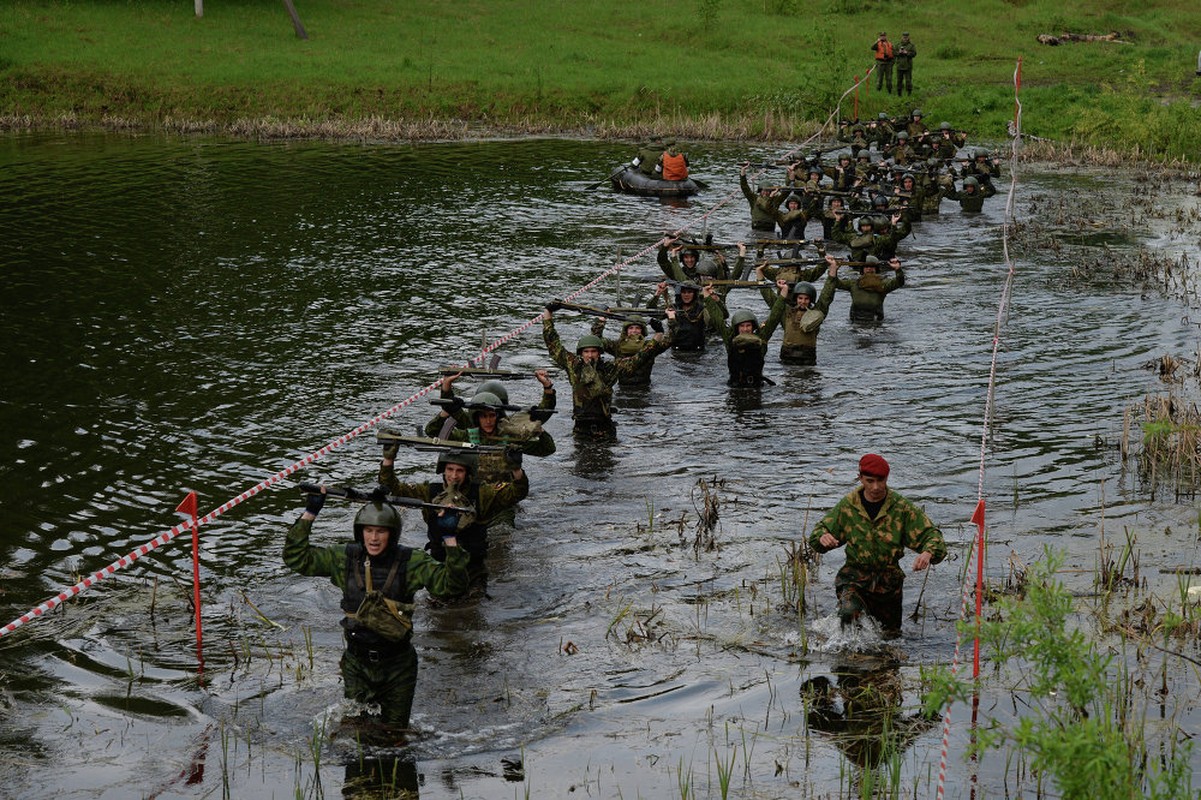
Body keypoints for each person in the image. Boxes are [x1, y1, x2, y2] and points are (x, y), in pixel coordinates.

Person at [282, 488, 469, 733]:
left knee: (394, 737)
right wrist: (310, 513)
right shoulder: (344, 558)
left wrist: (450, 540)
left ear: (392, 534)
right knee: (355, 736)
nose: (373, 538)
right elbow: (297, 558)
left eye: (380, 531)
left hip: (398, 666)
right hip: (356, 663)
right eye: (368, 531)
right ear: (360, 532)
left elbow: (452, 586)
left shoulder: (411, 562)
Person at [808, 454, 946, 635]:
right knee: (848, 616)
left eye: (880, 481)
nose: (875, 487)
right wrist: (823, 538)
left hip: (888, 585)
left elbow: (933, 536)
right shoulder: (848, 506)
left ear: (887, 478)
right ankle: (844, 658)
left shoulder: (901, 508)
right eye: (870, 481)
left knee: (889, 639)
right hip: (854, 579)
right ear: (860, 478)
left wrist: (928, 552)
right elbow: (818, 533)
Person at [379, 449, 528, 587]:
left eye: (460, 471)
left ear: (468, 472)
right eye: (450, 469)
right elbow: (394, 488)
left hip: (472, 570)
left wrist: (515, 469)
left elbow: (516, 493)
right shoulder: (429, 492)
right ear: (443, 470)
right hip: (439, 568)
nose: (454, 476)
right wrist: (388, 459)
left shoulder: (482, 493)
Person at [542, 304, 669, 438]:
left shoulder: (610, 368)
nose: (590, 355)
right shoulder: (573, 365)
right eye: (586, 352)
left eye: (593, 351)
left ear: (599, 353)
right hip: (581, 428)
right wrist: (548, 313)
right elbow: (553, 344)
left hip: (605, 429)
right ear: (581, 353)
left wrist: (659, 334)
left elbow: (640, 357)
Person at [422, 371, 557, 482]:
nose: (488, 421)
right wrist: (445, 410)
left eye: (492, 415)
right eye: (483, 416)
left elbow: (547, 449)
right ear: (476, 417)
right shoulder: (467, 435)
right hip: (475, 492)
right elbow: (433, 431)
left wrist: (541, 431)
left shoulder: (511, 436)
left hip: (503, 493)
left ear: (498, 415)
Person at [760, 254, 839, 365]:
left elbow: (827, 294)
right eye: (800, 298)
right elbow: (770, 298)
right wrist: (759, 273)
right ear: (796, 298)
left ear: (811, 300)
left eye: (806, 299)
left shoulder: (817, 314)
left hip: (808, 359)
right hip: (787, 359)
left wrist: (833, 268)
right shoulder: (786, 313)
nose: (803, 301)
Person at [702, 284, 784, 387]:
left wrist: (783, 294)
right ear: (736, 327)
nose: (745, 329)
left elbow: (774, 317)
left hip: (756, 386)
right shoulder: (730, 338)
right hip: (735, 387)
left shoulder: (761, 337)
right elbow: (717, 317)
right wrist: (707, 295)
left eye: (748, 325)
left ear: (753, 326)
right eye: (742, 326)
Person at [590, 312, 675, 387]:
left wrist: (671, 319)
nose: (634, 331)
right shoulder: (617, 345)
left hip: (644, 387)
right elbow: (596, 341)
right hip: (623, 387)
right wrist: (601, 321)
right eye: (631, 328)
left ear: (642, 331)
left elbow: (670, 340)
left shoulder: (650, 346)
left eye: (637, 328)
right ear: (626, 331)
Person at [831, 255, 905, 323]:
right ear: (862, 269)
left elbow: (899, 283)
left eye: (872, 267)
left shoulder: (883, 284)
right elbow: (836, 283)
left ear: (876, 269)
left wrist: (897, 269)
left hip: (875, 323)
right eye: (866, 267)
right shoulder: (854, 284)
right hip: (855, 322)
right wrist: (834, 269)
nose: (869, 269)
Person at [649, 280, 709, 351]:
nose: (686, 295)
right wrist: (657, 294)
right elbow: (651, 312)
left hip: (697, 351)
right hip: (677, 350)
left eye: (689, 292)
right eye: (683, 292)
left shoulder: (702, 309)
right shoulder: (672, 308)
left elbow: (720, 318)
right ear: (680, 294)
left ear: (694, 294)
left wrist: (710, 298)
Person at [740, 164, 786, 233]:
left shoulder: (775, 200)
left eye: (768, 191)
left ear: (771, 192)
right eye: (764, 190)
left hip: (770, 229)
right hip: (756, 228)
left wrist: (790, 177)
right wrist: (743, 171)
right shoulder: (754, 199)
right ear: (760, 191)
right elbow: (744, 187)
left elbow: (785, 194)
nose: (765, 193)